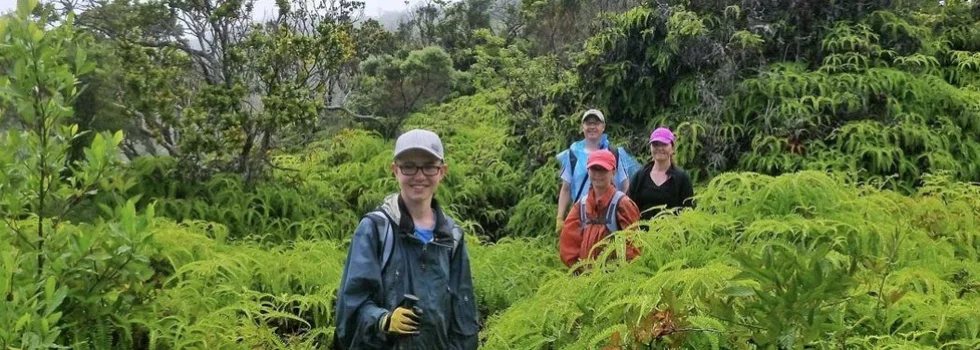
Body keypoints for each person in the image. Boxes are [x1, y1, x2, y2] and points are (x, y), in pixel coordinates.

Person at [334, 129, 479, 350]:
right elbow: (350, 307)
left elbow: (464, 321)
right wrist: (382, 320)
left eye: (429, 166)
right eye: (409, 166)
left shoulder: (453, 238)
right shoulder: (375, 230)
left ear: (442, 171)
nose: (419, 176)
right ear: (395, 170)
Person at [555, 109, 641, 232]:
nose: (592, 127)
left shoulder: (615, 153)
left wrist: (623, 210)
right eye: (588, 123)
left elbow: (625, 185)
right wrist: (560, 217)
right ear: (582, 127)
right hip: (580, 216)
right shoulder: (572, 155)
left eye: (596, 123)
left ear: (603, 127)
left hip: (610, 217)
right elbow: (566, 188)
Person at [559, 149, 641, 270]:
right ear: (588, 171)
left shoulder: (623, 204)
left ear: (613, 172)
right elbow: (568, 246)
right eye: (594, 169)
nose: (598, 174)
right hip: (585, 280)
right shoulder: (580, 206)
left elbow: (633, 247)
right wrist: (579, 271)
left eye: (603, 170)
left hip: (615, 280)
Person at [627, 127, 696, 221]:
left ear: (672, 148)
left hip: (672, 233)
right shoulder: (640, 176)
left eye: (664, 144)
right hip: (641, 234)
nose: (659, 148)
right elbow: (628, 208)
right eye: (655, 145)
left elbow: (689, 211)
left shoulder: (681, 178)